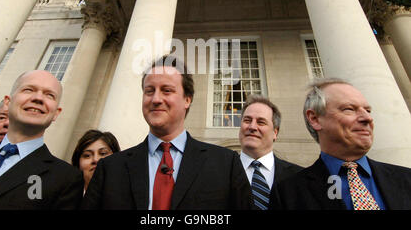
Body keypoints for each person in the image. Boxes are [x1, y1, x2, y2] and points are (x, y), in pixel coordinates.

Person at [82, 55, 253, 210]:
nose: (156, 99)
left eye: (167, 90)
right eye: (149, 91)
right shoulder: (110, 168)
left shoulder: (225, 163)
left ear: (187, 99)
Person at [270, 78, 411, 210]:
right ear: (315, 119)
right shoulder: (288, 193)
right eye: (349, 109)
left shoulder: (406, 179)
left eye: (367, 110)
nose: (367, 118)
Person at [0, 70, 84, 210]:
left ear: (56, 113)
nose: (38, 98)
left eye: (49, 95)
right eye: (29, 90)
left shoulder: (66, 179)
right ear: (8, 102)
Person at [239, 94, 302, 209]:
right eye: (247, 120)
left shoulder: (300, 177)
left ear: (275, 133)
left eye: (261, 122)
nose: (252, 127)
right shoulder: (219, 173)